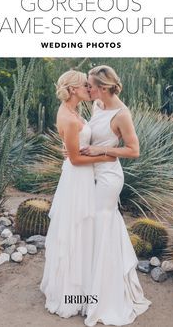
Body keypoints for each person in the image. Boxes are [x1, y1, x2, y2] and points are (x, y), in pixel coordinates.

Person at [39, 70, 115, 318]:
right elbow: (75, 159)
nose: (88, 88)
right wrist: (107, 155)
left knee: (81, 229)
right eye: (84, 85)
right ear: (73, 90)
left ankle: (84, 286)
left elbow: (73, 151)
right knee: (77, 229)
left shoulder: (73, 112)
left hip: (81, 177)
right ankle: (74, 293)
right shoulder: (70, 119)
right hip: (78, 178)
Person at [80, 65, 152, 327]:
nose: (88, 88)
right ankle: (90, 285)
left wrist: (101, 150)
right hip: (91, 173)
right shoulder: (98, 106)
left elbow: (134, 150)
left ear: (103, 86)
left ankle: (106, 295)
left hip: (109, 177)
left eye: (90, 84)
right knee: (95, 227)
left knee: (102, 224)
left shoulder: (122, 114)